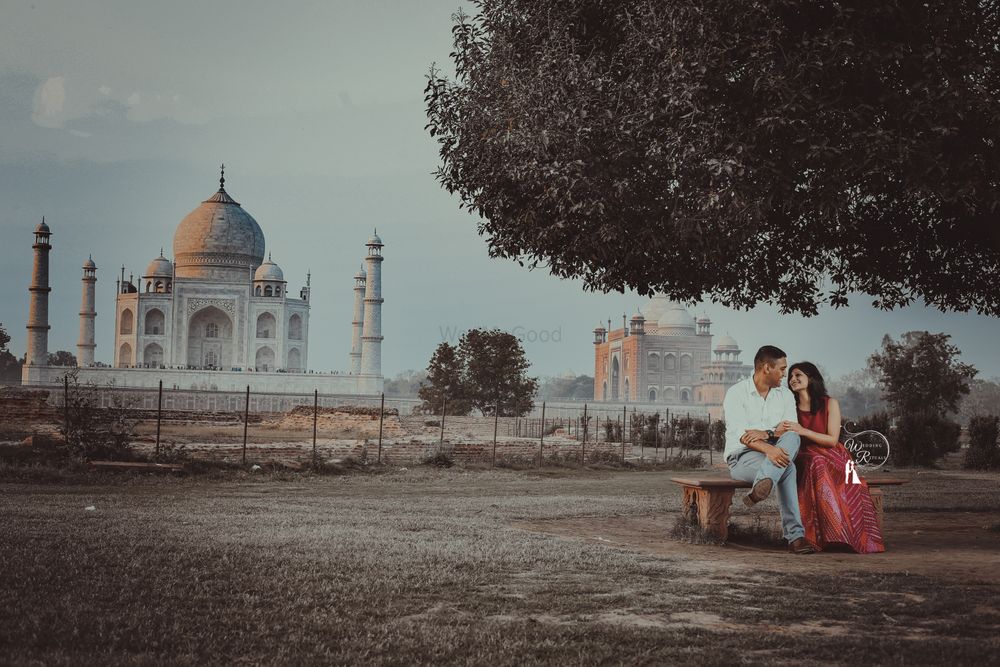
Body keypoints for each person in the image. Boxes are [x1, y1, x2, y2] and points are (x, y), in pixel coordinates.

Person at [780, 362, 885, 553]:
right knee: (815, 464)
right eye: (790, 376)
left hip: (833, 454)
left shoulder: (830, 403)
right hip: (804, 454)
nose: (792, 379)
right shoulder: (789, 406)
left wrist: (803, 430)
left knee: (837, 473)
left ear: (811, 378)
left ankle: (842, 534)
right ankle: (823, 535)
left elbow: (832, 439)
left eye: (797, 375)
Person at [723, 345, 814, 555]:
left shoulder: (785, 395)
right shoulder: (736, 393)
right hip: (742, 457)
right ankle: (795, 537)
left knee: (792, 436)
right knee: (787, 467)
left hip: (778, 449)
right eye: (782, 369)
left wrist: (767, 435)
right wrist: (769, 448)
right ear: (766, 368)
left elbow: (790, 428)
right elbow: (742, 435)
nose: (785, 374)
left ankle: (762, 486)